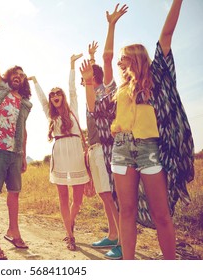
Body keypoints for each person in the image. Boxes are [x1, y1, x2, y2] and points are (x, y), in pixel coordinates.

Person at [80, 1, 194, 260]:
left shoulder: (157, 78)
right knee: (126, 211)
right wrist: (88, 79)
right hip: (121, 149)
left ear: (135, 57)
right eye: (118, 59)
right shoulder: (118, 89)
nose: (119, 62)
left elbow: (166, 35)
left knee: (161, 213)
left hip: (149, 149)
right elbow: (94, 105)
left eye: (123, 58)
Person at [0, 15, 32, 260]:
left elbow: (24, 130)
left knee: (15, 194)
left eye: (22, 75)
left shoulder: (24, 103)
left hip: (14, 153)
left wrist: (22, 156)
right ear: (9, 76)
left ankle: (13, 230)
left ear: (23, 82)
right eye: (15, 72)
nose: (18, 75)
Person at [28, 53, 89, 251]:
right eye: (52, 95)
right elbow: (41, 101)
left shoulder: (73, 109)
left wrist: (72, 65)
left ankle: (69, 224)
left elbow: (72, 89)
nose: (55, 96)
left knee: (77, 200)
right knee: (63, 197)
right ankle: (70, 235)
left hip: (77, 154)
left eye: (57, 94)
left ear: (62, 96)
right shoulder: (50, 115)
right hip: (60, 154)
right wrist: (36, 82)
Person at [81, 41, 121, 259]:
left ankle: (123, 240)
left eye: (86, 77)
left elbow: (104, 73)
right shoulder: (91, 91)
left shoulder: (104, 91)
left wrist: (96, 59)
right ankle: (113, 234)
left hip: (107, 148)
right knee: (104, 194)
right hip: (94, 148)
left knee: (112, 195)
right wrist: (91, 56)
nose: (83, 79)